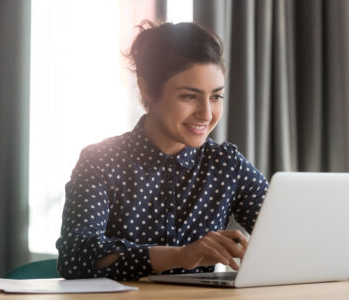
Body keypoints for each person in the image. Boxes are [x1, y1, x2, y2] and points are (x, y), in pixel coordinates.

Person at [56, 20, 268, 281]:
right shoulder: (100, 161)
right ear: (147, 89)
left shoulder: (227, 164)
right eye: (189, 96)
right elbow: (75, 256)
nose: (206, 114)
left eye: (215, 97)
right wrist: (181, 256)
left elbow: (286, 233)